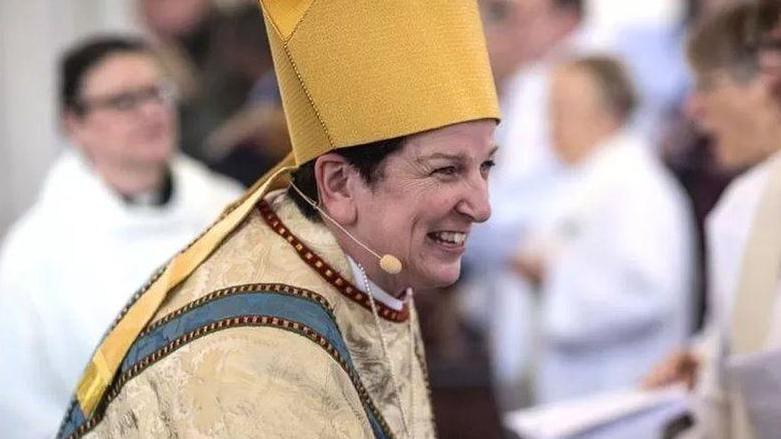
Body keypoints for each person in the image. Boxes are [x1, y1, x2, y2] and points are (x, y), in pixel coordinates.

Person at [57, 1, 500, 438]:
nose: (482, 207)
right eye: (446, 170)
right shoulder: (254, 357)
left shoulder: (368, 264)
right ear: (341, 184)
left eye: (486, 166)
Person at [0, 36, 243, 439]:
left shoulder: (229, 208)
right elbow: (21, 405)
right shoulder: (32, 256)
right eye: (124, 101)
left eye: (157, 92)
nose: (152, 111)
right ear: (72, 123)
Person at [512, 55, 694, 403]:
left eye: (561, 109)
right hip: (575, 391)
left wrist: (552, 274)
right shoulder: (585, 181)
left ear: (606, 114)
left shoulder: (639, 187)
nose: (549, 125)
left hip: (619, 393)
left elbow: (647, 290)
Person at [641, 2, 781, 437]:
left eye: (706, 85)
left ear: (765, 80)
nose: (694, 109)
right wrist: (709, 355)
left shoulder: (750, 201)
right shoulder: (744, 204)